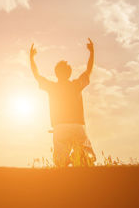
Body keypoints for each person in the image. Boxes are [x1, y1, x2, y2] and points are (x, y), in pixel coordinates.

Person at [30, 38, 96, 167]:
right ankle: (81, 165)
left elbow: (36, 75)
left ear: (56, 74)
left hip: (60, 127)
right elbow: (89, 71)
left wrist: (32, 58)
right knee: (85, 159)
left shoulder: (52, 87)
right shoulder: (76, 85)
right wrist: (92, 52)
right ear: (70, 73)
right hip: (78, 126)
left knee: (61, 163)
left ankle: (66, 166)